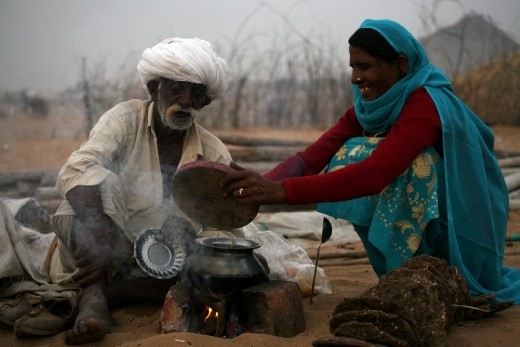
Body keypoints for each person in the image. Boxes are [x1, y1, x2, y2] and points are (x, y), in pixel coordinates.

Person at [222, 19, 520, 305]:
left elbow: (375, 174)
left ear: (401, 65)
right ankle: (402, 275)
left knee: (394, 160)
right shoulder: (369, 109)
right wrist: (256, 185)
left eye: (365, 67)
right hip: (435, 214)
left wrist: (280, 192)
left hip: (465, 223)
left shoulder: (425, 103)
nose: (355, 78)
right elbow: (310, 158)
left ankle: (437, 272)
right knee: (347, 151)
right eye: (353, 67)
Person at [0, 37, 231, 344]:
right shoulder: (125, 120)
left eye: (196, 93)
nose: (186, 99)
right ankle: (94, 299)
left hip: (162, 269)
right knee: (96, 185)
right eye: (176, 87)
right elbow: (76, 169)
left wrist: (192, 239)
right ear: (154, 89)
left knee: (212, 267)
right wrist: (98, 224)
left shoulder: (213, 153)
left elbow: (228, 229)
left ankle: (104, 296)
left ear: (204, 102)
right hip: (103, 249)